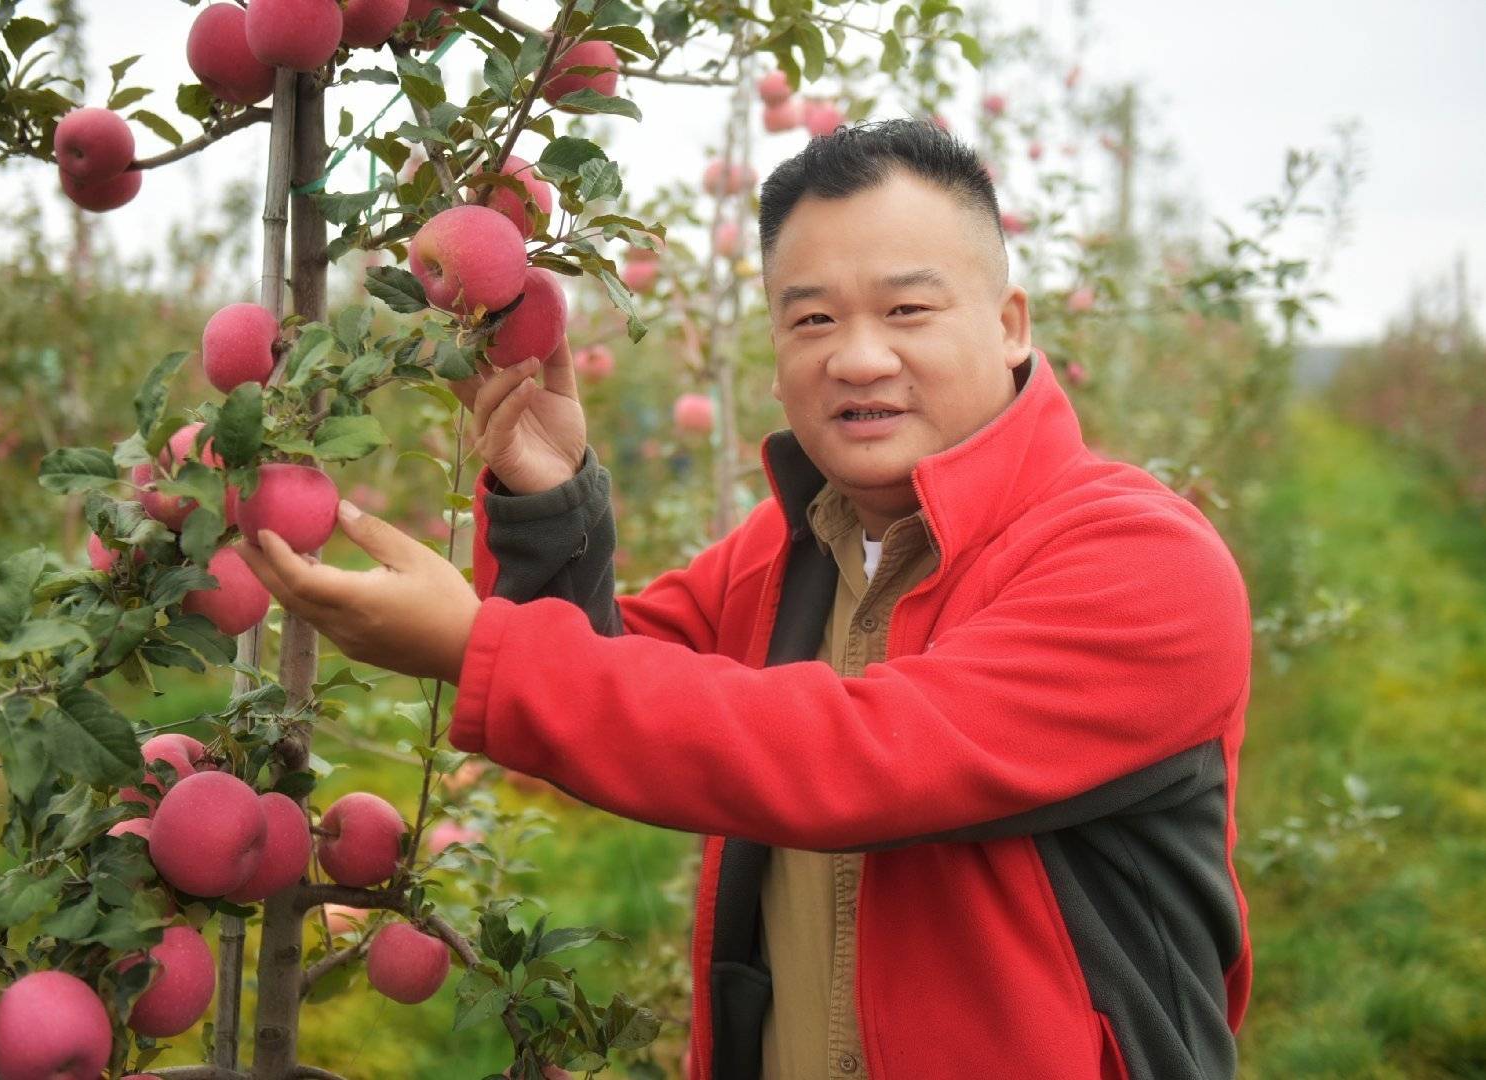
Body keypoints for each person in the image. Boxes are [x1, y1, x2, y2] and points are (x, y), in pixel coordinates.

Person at [239, 119, 1254, 1080]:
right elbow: (609, 691)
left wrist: (477, 648)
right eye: (811, 318)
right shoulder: (793, 547)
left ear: (1010, 325)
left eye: (906, 309)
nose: (857, 357)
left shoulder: (1141, 562)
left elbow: (861, 756)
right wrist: (549, 502)